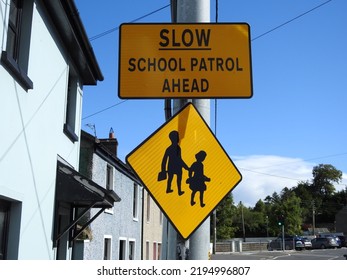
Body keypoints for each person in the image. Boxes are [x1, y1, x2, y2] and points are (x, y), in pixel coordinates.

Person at [160, 130, 189, 196]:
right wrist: (186, 167)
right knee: (174, 178)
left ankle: (174, 190)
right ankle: (173, 190)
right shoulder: (175, 148)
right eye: (177, 137)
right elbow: (179, 159)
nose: (178, 138)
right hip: (175, 167)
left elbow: (165, 160)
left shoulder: (171, 148)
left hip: (172, 167)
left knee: (173, 178)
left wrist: (163, 169)